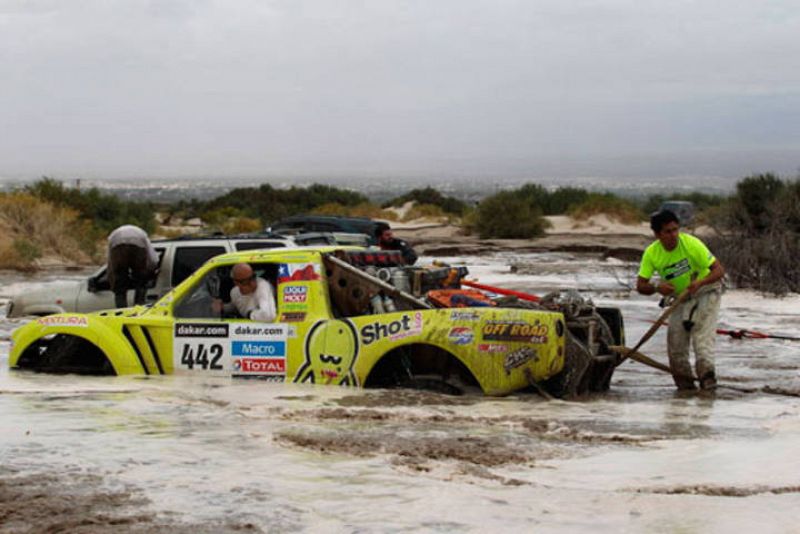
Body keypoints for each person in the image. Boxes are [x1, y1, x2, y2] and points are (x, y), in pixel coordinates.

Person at [636, 209, 725, 391]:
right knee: (676, 346)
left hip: (706, 291)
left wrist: (700, 282)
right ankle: (684, 392)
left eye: (676, 229)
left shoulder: (692, 244)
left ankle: (708, 384)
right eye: (668, 232)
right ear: (657, 234)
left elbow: (719, 271)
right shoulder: (651, 253)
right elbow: (640, 285)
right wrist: (656, 287)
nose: (673, 235)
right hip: (678, 298)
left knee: (702, 339)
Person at [107, 225, 159, 308]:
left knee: (120, 286)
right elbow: (152, 257)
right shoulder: (142, 234)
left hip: (118, 244)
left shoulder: (113, 236)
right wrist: (152, 269)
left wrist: (112, 277)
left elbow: (110, 260)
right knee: (141, 281)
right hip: (138, 244)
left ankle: (121, 311)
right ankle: (139, 306)